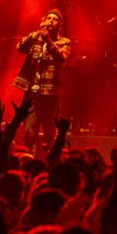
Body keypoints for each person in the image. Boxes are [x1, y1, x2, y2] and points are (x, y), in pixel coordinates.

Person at [13, 8, 70, 151]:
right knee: (29, 131)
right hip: (32, 91)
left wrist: (48, 40)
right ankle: (29, 159)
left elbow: (61, 58)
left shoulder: (64, 42)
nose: (51, 21)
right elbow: (20, 48)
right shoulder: (35, 37)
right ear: (43, 21)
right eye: (49, 18)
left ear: (60, 25)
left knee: (49, 131)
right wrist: (35, 35)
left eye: (55, 19)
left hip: (50, 92)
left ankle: (51, 162)